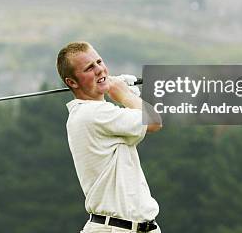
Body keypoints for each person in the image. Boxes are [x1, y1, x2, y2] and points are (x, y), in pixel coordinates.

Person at [57, 41, 163, 233]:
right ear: (72, 82)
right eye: (89, 68)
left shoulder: (96, 114)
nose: (99, 69)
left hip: (138, 228)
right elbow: (154, 121)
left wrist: (128, 92)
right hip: (117, 228)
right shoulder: (93, 114)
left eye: (99, 62)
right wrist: (122, 93)